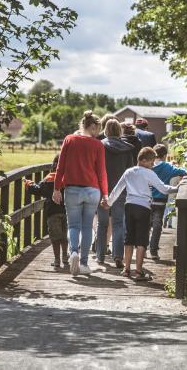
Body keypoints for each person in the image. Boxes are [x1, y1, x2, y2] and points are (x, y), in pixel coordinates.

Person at [107, 147, 179, 281]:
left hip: (129, 206)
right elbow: (163, 189)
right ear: (144, 160)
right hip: (143, 207)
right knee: (142, 240)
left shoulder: (128, 171)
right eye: (151, 162)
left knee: (129, 238)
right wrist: (177, 188)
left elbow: (117, 189)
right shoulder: (148, 173)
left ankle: (126, 269)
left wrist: (109, 202)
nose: (153, 165)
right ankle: (139, 271)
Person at [54, 110, 109, 276]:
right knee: (87, 228)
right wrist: (105, 194)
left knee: (73, 226)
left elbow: (60, 166)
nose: (98, 133)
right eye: (97, 129)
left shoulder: (69, 140)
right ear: (92, 126)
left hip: (72, 190)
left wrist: (57, 188)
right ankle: (84, 263)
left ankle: (73, 253)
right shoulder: (98, 145)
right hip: (92, 191)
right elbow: (101, 172)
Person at [96, 119, 135, 268]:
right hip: (120, 192)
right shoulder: (127, 149)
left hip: (102, 191)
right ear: (120, 131)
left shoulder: (100, 146)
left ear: (105, 131)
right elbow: (130, 173)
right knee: (118, 223)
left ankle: (100, 256)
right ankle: (118, 256)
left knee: (102, 224)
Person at [24, 155, 68, 268]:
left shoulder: (49, 179)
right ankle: (65, 257)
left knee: (55, 237)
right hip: (67, 211)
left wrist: (29, 184)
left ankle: (57, 260)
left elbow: (38, 190)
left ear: (53, 166)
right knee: (64, 236)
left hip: (52, 212)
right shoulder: (68, 178)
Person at [149, 144, 187, 259]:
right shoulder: (167, 167)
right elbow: (183, 171)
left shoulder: (148, 166)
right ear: (165, 155)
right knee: (157, 225)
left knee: (145, 225)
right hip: (160, 200)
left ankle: (142, 247)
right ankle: (153, 250)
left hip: (146, 199)